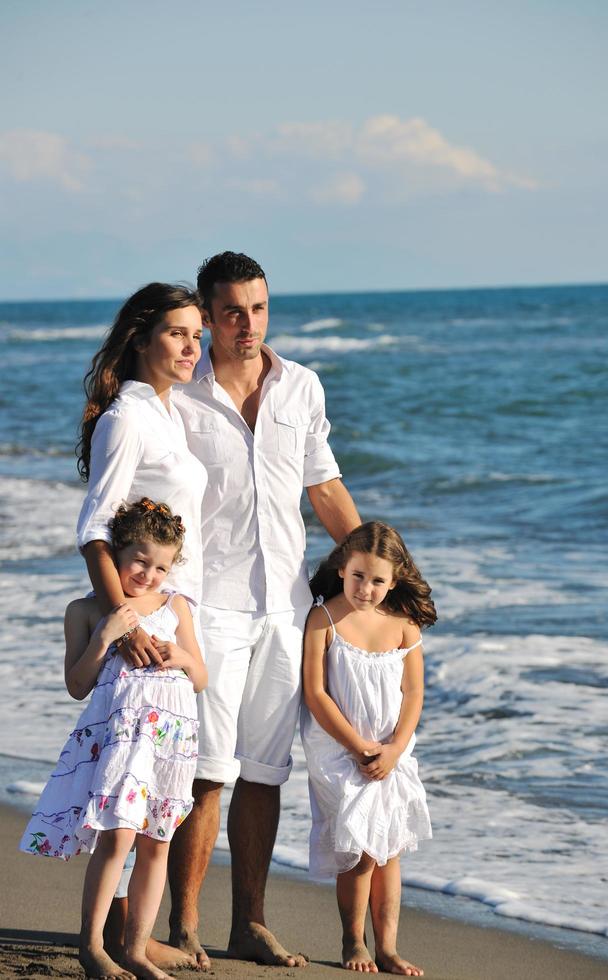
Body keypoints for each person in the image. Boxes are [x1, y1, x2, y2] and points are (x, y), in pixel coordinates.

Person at [168, 251, 361, 969]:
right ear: (207, 313)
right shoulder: (177, 391)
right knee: (205, 772)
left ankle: (248, 922)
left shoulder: (300, 386)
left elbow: (325, 487)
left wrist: (384, 565)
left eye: (258, 308)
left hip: (285, 608)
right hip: (204, 606)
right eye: (231, 312)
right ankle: (183, 925)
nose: (247, 324)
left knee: (263, 773)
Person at [75, 282, 208, 972]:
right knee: (125, 812)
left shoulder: (168, 409)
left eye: (197, 335)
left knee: (157, 809)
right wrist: (123, 624)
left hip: (169, 622)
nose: (192, 346)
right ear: (141, 339)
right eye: (179, 334)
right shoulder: (126, 416)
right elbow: (95, 529)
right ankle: (97, 943)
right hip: (140, 635)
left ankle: (132, 941)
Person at [20, 498, 208, 980]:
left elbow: (202, 676)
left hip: (170, 744)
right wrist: (105, 636)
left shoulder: (176, 606)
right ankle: (92, 944)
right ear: (116, 555)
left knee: (156, 842)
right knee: (118, 835)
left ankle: (137, 949)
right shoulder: (83, 611)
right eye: (139, 561)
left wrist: (181, 656)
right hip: (123, 740)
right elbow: (77, 684)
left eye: (161, 566)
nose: (148, 574)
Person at [301, 522, 436, 976]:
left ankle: (389, 948)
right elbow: (316, 694)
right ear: (342, 569)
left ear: (394, 581)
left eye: (378, 580)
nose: (367, 588)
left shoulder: (403, 625)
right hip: (340, 750)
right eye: (359, 576)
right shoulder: (325, 618)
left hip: (391, 753)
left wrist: (394, 749)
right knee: (360, 852)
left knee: (389, 849)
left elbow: (414, 694)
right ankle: (352, 941)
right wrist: (359, 747)